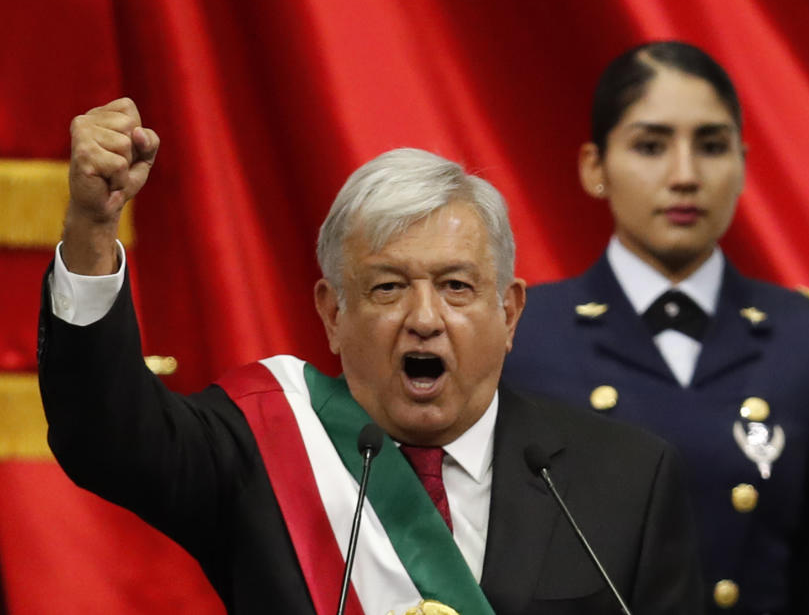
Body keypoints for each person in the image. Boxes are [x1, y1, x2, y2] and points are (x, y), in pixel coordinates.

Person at [39, 98, 704, 614]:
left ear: (508, 313)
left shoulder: (625, 480)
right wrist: (94, 231)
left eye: (456, 287)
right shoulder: (262, 448)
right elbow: (103, 434)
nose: (423, 319)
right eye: (387, 287)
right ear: (332, 313)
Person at [502, 41, 809, 614]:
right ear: (595, 168)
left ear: (743, 165)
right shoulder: (519, 338)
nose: (685, 175)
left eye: (713, 146)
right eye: (651, 145)